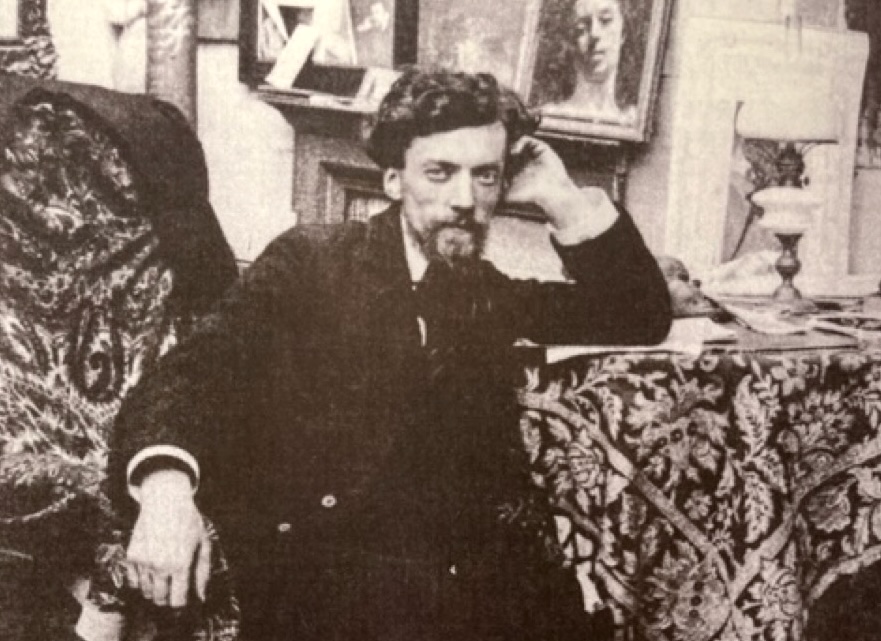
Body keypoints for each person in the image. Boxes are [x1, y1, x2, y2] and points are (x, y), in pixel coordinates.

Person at [108, 68, 671, 641]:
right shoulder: (313, 262)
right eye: (440, 172)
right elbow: (191, 374)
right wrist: (165, 491)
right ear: (394, 180)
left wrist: (561, 198)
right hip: (329, 594)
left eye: (485, 176)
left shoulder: (482, 291)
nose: (465, 200)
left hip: (471, 595)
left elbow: (638, 314)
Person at [541, 0, 639, 125]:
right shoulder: (550, 116)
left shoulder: (633, 122)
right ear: (570, 39)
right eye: (581, 27)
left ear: (623, 33)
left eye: (605, 21)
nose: (594, 34)